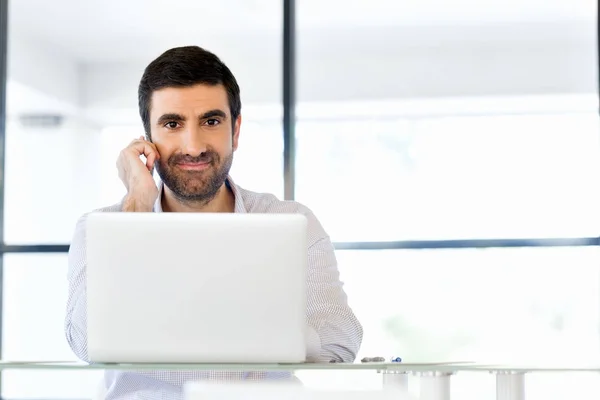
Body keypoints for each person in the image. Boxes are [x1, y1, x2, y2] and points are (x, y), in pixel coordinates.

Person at [64, 45, 363, 400]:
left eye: (211, 121)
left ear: (235, 130)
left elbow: (340, 339)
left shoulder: (290, 221)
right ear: (147, 139)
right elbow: (84, 340)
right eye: (172, 124)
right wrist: (137, 208)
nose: (193, 146)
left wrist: (221, 322)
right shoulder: (99, 228)